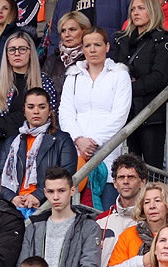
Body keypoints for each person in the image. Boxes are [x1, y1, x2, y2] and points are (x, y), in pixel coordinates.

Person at [59, 26, 132, 210]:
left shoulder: (119, 75)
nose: (92, 50)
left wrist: (94, 142)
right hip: (76, 154)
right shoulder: (73, 76)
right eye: (87, 45)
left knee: (105, 211)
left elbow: (120, 115)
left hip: (107, 155)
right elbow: (65, 113)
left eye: (97, 45)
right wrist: (78, 140)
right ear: (82, 48)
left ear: (107, 47)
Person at [111, 0, 168, 166]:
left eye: (141, 8)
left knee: (153, 167)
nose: (135, 13)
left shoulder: (163, 41)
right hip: (127, 112)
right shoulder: (122, 39)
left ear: (152, 11)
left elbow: (159, 78)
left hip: (152, 114)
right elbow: (116, 72)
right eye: (132, 9)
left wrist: (128, 87)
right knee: (131, 166)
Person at [0, 88, 76, 213]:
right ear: (24, 111)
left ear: (50, 111)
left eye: (42, 107)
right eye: (31, 107)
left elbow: (67, 174)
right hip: (11, 206)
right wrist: (12, 198)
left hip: (46, 206)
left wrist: (37, 195)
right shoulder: (12, 142)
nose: (36, 111)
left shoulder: (62, 140)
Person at [17, 167, 102, 267]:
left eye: (61, 191)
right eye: (51, 191)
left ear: (72, 191)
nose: (56, 197)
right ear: (45, 193)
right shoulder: (33, 228)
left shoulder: (89, 227)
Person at [0, 32, 58, 141]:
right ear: (7, 55)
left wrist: (28, 132)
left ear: (30, 52)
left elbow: (52, 114)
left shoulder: (44, 82)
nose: (17, 53)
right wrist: (9, 130)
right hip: (2, 140)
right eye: (12, 49)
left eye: (22, 49)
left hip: (38, 140)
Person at [106, 181, 168, 267]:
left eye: (158, 201)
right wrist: (143, 262)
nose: (152, 206)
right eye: (147, 202)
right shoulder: (129, 234)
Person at [98, 153, 146, 267]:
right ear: (114, 183)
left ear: (142, 182)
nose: (125, 181)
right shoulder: (101, 220)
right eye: (121, 177)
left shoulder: (151, 220)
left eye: (131, 177)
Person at [41, 11, 89, 103]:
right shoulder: (52, 60)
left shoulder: (90, 59)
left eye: (72, 29)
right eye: (63, 31)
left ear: (84, 31)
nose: (67, 34)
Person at [47, 0, 128, 49]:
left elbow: (129, 30)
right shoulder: (63, 3)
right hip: (67, 66)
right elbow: (55, 39)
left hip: (109, 62)